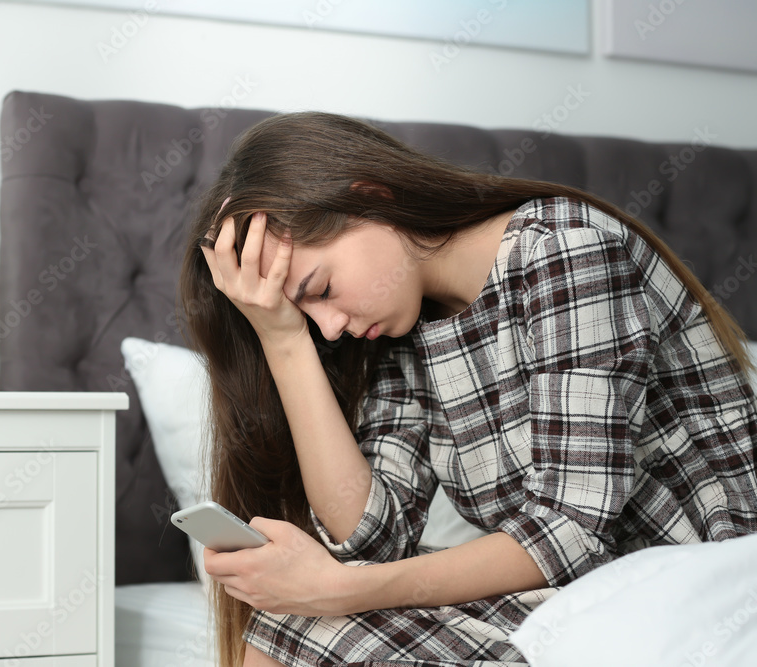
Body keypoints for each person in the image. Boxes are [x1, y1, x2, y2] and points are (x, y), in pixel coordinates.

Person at [178, 111, 757, 667]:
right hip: (586, 600)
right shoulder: (406, 326)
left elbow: (570, 531)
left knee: (314, 624)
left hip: (699, 591)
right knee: (290, 626)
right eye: (309, 316)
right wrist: (284, 340)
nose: (330, 327)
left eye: (322, 288)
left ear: (371, 195)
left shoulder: (563, 248)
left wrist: (342, 591)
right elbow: (372, 537)